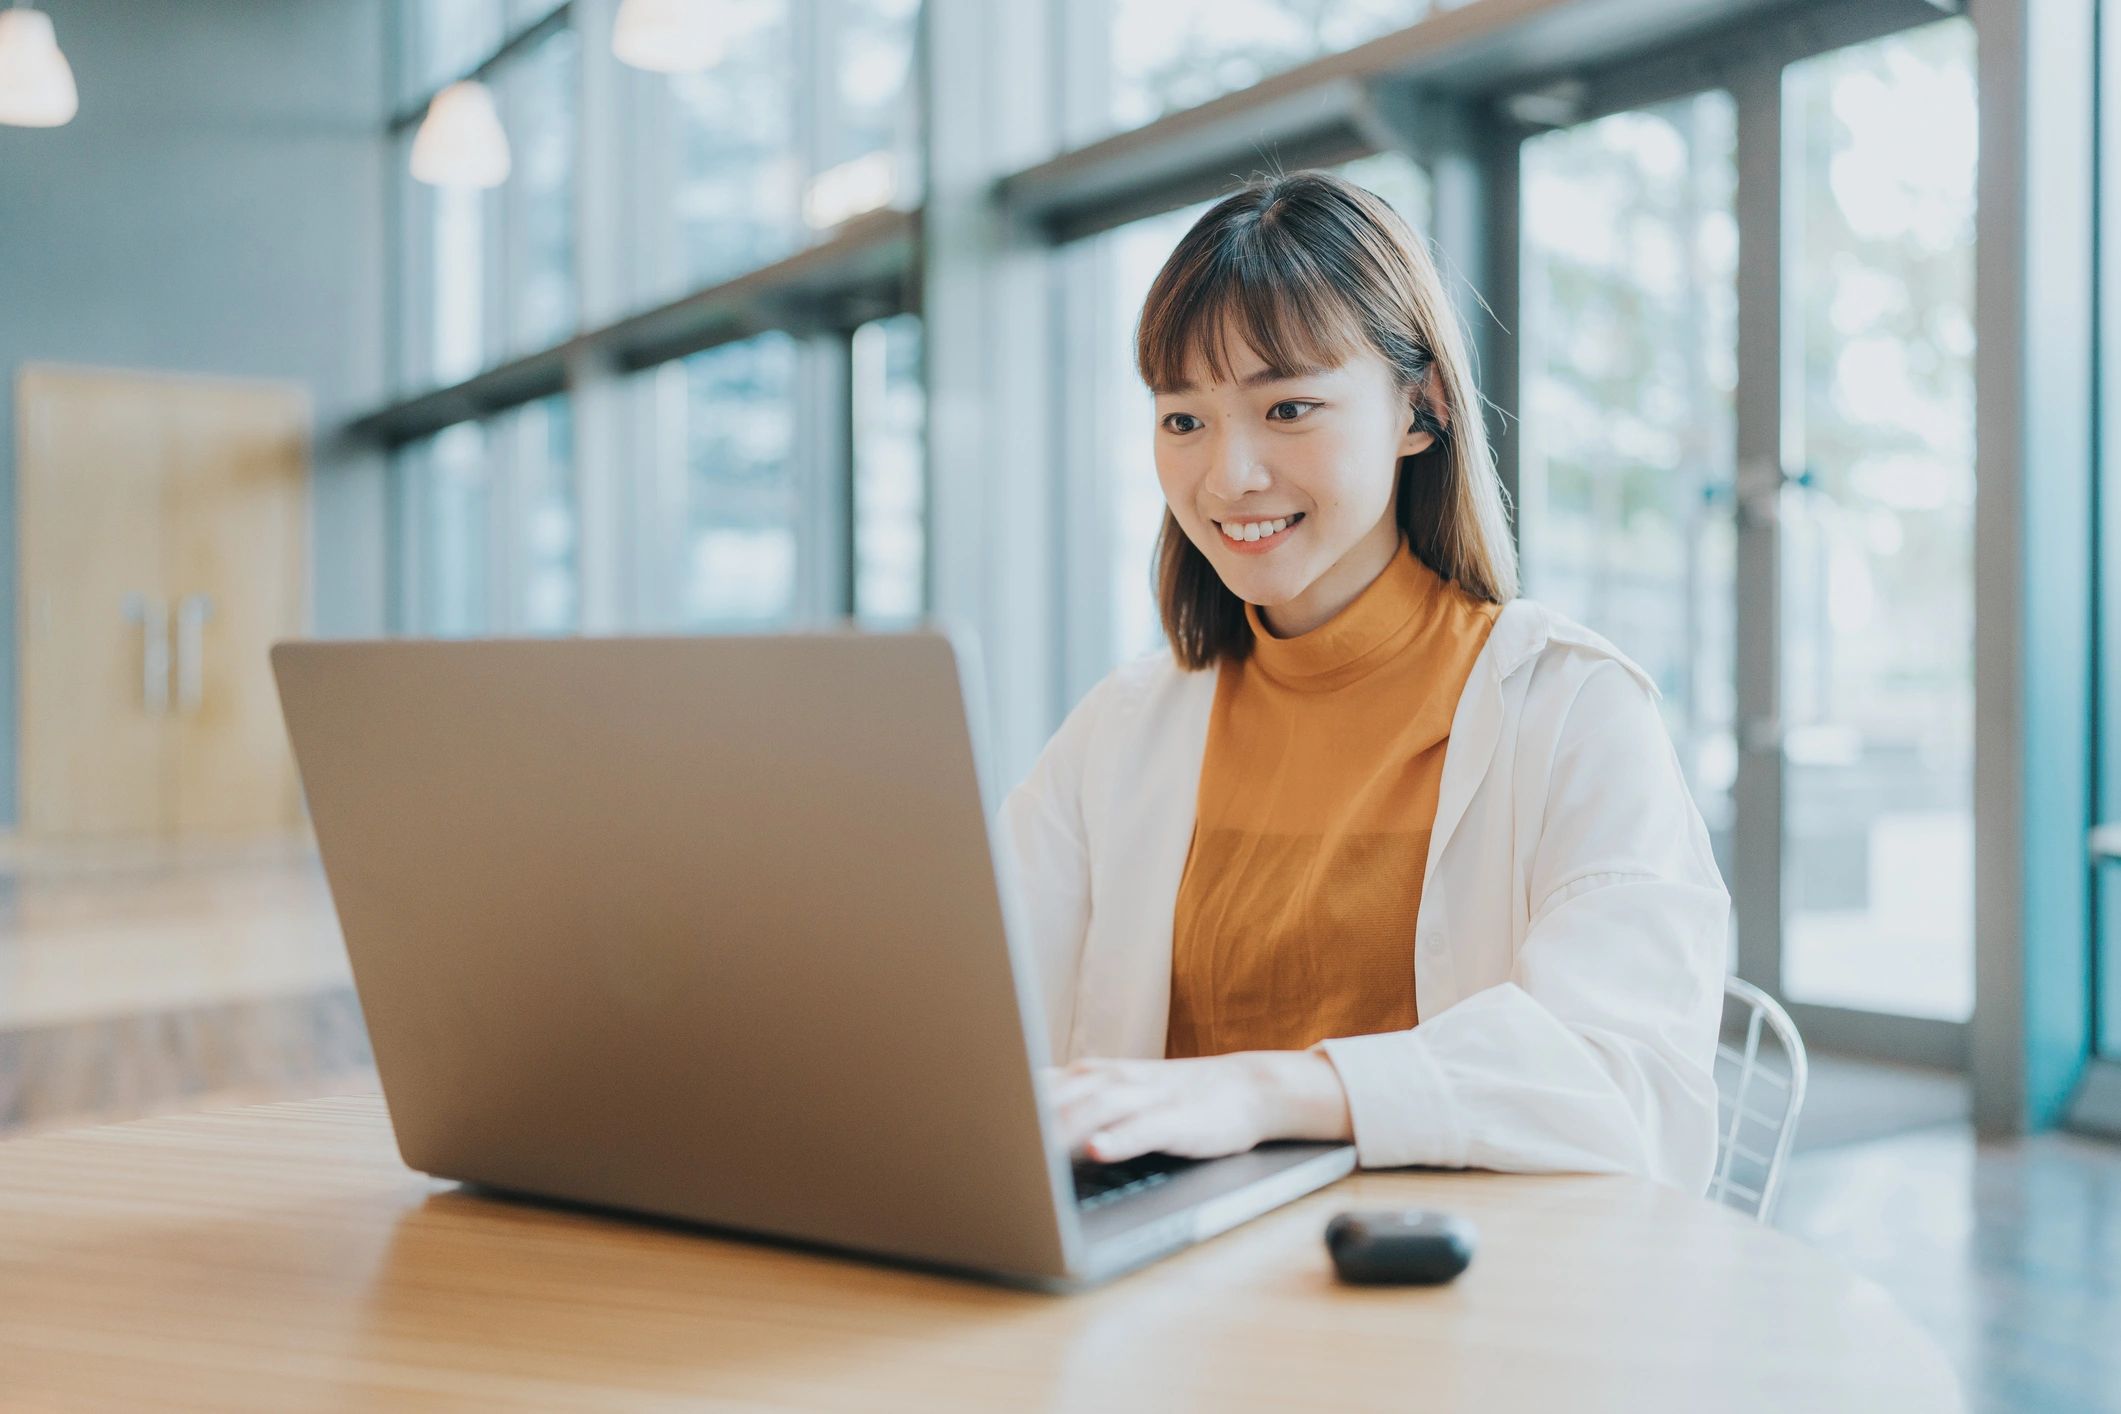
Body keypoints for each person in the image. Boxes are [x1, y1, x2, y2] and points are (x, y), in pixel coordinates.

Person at [998, 170, 1730, 1194]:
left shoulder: (1569, 705)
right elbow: (970, 1025)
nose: (1227, 476)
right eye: (1183, 419)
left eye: (1287, 406)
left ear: (1419, 410)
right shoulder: (1123, 729)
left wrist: (1266, 1091)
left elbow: (1624, 1080)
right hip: (1165, 1291)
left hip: (1470, 1296)